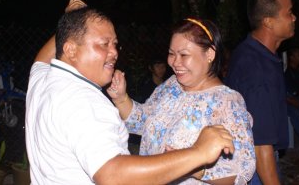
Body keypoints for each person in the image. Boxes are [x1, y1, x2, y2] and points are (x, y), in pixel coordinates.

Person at [25, 0, 235, 185]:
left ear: (209, 54)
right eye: (103, 44)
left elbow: (237, 173)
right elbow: (114, 175)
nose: (114, 52)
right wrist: (197, 154)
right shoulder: (85, 102)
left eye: (115, 44)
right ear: (70, 49)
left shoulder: (44, 79)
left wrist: (70, 21)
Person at [109, 18, 255, 184]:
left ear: (209, 54)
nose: (174, 62)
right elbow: (144, 121)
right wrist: (121, 98)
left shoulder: (228, 102)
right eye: (171, 54)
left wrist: (195, 167)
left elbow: (241, 172)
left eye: (184, 55)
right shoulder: (172, 85)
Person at [225, 0, 296, 184]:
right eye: (289, 13)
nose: (294, 18)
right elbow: (260, 145)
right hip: (256, 165)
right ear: (269, 22)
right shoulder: (256, 70)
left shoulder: (255, 52)